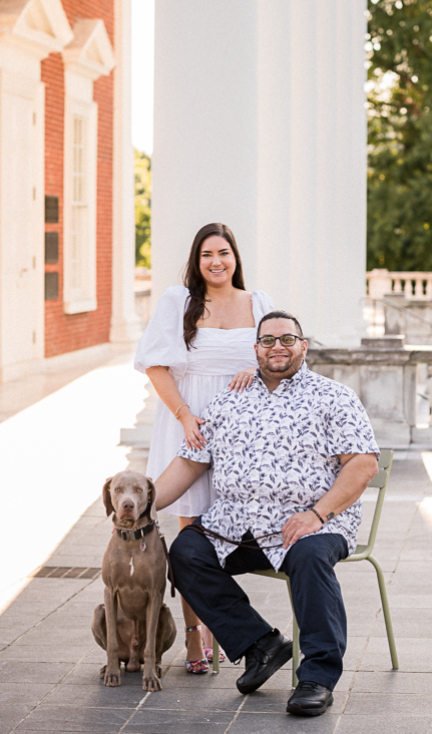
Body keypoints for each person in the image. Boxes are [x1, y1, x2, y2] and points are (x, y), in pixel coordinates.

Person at [153, 310, 379, 717]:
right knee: (187, 551)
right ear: (255, 348)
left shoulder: (334, 397)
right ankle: (261, 644)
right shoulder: (227, 399)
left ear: (303, 345)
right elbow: (190, 462)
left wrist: (318, 515)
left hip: (309, 523)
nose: (278, 347)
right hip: (238, 523)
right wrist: (141, 504)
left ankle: (317, 678)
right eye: (269, 340)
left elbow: (362, 465)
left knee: (310, 558)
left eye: (287, 339)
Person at [134, 223, 274, 674]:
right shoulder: (179, 301)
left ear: (236, 257)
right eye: (207, 254)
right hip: (188, 420)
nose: (216, 262)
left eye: (224, 252)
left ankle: (230, 625)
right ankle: (196, 636)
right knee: (190, 529)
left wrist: (256, 374)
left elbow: (280, 362)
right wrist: (185, 417)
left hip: (242, 433)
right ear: (197, 261)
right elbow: (155, 366)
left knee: (223, 530)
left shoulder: (260, 303)